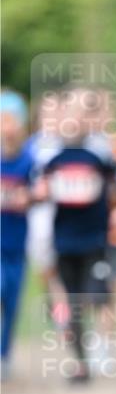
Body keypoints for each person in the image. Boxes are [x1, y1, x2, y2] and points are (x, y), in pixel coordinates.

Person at [36, 86, 116, 383]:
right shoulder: (51, 157)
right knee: (72, 304)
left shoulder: (100, 154)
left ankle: (101, 347)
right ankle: (81, 362)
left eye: (82, 116)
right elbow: (39, 191)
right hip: (64, 241)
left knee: (98, 293)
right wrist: (39, 193)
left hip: (95, 239)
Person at [1, 90, 38, 378]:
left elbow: (41, 191)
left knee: (12, 301)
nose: (7, 127)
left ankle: (4, 354)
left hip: (17, 243)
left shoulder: (29, 160)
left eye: (11, 120)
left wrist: (31, 196)